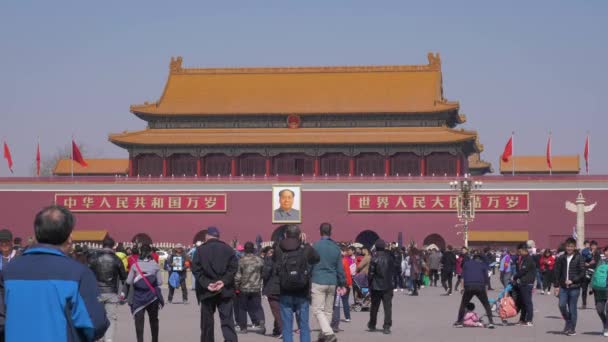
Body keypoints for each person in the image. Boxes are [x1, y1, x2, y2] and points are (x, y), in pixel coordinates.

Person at [3, 205, 109, 341]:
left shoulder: (9, 271)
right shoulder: (78, 273)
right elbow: (95, 324)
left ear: (36, 233)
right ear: (69, 236)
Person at [191, 226, 239, 342]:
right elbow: (233, 269)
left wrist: (207, 284)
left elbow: (196, 270)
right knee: (227, 320)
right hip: (225, 290)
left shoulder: (200, 250)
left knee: (207, 322)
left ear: (207, 236)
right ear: (218, 236)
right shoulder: (228, 249)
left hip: (207, 291)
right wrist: (223, 281)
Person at [274, 225, 320, 342]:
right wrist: (306, 243)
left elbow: (274, 262)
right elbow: (316, 258)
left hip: (285, 290)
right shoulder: (305, 248)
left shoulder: (279, 248)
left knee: (287, 326)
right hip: (302, 291)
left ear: (285, 235)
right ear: (300, 235)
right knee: (304, 325)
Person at [311, 223, 346, 342]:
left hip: (318, 280)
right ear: (331, 232)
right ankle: (322, 336)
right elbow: (340, 268)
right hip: (332, 281)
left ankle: (328, 333)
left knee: (317, 310)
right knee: (328, 310)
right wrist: (342, 282)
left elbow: (310, 264)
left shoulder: (315, 246)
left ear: (320, 232)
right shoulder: (336, 247)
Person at [89, 236, 127, 342]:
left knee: (97, 317)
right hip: (112, 292)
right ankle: (109, 339)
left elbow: (87, 273)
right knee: (111, 318)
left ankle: (98, 338)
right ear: (113, 246)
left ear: (102, 245)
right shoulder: (116, 259)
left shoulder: (94, 258)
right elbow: (124, 277)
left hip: (97, 292)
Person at [122, 243, 163, 342]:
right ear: (150, 253)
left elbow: (128, 281)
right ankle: (155, 340)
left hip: (138, 297)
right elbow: (160, 282)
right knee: (153, 320)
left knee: (139, 322)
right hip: (152, 297)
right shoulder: (155, 265)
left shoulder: (135, 265)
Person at [553, 238, 586, 336]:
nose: (569, 248)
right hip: (563, 287)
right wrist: (556, 285)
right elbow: (557, 272)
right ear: (565, 246)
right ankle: (568, 321)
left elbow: (582, 272)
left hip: (574, 287)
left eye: (571, 246)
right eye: (568, 246)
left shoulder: (579, 257)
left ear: (574, 247)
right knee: (561, 305)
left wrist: (573, 280)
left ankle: (572, 328)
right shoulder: (561, 258)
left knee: (572, 308)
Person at [453, 252, 495, 329]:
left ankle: (459, 322)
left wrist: (462, 288)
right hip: (480, 286)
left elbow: (462, 277)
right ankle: (491, 322)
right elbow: (486, 281)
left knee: (463, 304)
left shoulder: (466, 264)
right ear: (480, 259)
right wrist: (486, 292)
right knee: (486, 304)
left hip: (469, 286)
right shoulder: (483, 265)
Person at [235, 241, 266, 334]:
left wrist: (236, 286)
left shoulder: (241, 260)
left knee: (242, 308)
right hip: (256, 287)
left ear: (244, 250)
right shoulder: (260, 260)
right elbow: (263, 273)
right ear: (253, 249)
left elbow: (238, 276)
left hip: (244, 288)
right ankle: (261, 324)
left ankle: (243, 328)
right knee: (258, 307)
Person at [367, 239, 395, 334]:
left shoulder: (374, 258)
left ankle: (372, 324)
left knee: (374, 307)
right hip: (388, 285)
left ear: (376, 247)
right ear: (384, 247)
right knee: (387, 307)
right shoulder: (390, 258)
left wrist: (369, 284)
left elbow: (370, 274)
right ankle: (387, 326)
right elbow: (393, 272)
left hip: (376, 286)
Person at [513, 242, 536, 327]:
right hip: (522, 283)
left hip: (527, 283)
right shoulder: (523, 258)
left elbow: (523, 271)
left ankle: (529, 320)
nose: (519, 253)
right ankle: (522, 320)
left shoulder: (528, 259)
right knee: (522, 302)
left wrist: (514, 277)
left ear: (523, 250)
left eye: (519, 251)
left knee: (527, 302)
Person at [331, 245, 353, 332]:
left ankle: (334, 322)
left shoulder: (335, 261)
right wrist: (349, 283)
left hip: (337, 284)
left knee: (335, 304)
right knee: (344, 301)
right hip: (344, 284)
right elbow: (347, 273)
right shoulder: (344, 261)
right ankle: (347, 317)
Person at [262, 245, 282, 337]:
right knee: (280, 309)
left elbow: (265, 274)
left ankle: (282, 330)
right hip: (283, 287)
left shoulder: (269, 260)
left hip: (272, 288)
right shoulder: (284, 258)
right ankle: (277, 329)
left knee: (276, 311)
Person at [593, 246, 608, 336]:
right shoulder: (600, 261)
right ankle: (605, 322)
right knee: (600, 310)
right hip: (600, 288)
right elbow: (595, 273)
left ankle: (606, 327)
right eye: (606, 251)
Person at [582, 240, 601, 309]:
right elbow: (582, 260)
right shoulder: (586, 252)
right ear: (590, 246)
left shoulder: (598, 253)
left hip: (594, 273)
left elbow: (597, 262)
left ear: (596, 246)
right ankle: (584, 304)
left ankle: (596, 304)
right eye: (592, 245)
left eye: (594, 246)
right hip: (586, 272)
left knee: (595, 289)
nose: (593, 247)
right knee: (584, 289)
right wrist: (585, 263)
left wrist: (589, 263)